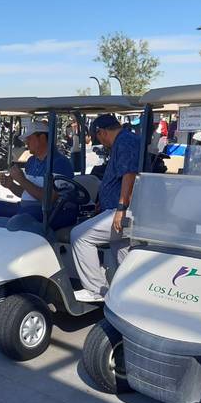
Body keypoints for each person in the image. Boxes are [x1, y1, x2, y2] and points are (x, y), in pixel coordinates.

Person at [71, 114, 139, 302]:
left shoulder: (124, 141)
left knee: (79, 236)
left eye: (98, 137)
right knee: (121, 249)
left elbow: (129, 176)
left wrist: (121, 208)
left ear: (101, 132)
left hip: (126, 210)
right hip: (118, 208)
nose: (100, 142)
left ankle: (96, 290)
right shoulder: (124, 141)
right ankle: (127, 295)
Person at [0, 119, 76, 229]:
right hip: (27, 208)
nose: (26, 142)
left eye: (29, 138)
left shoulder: (60, 163)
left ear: (42, 138)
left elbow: (49, 199)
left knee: (23, 216)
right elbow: (27, 192)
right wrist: (11, 186)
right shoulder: (32, 161)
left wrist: (22, 180)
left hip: (52, 211)